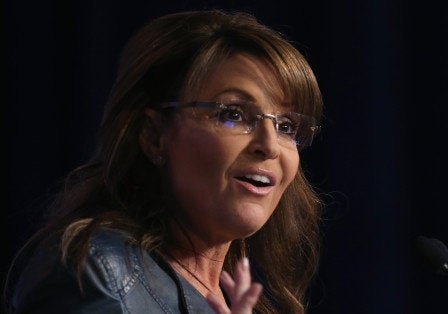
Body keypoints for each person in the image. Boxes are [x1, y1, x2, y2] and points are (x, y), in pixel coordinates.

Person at [3, 9, 324, 314]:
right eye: (233, 114)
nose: (269, 146)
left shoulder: (245, 299)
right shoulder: (98, 273)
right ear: (154, 136)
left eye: (286, 126)